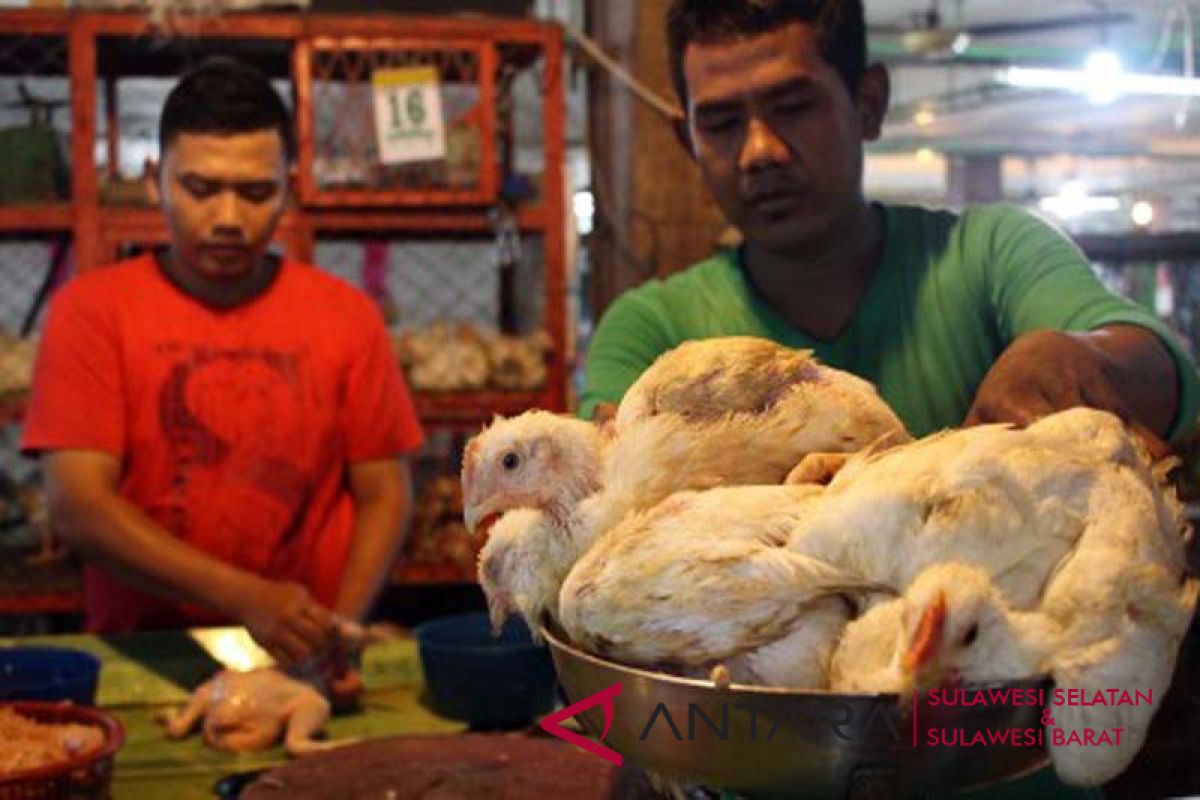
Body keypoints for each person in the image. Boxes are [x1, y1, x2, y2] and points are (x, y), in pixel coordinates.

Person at [580, 0, 1199, 452]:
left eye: (793, 108)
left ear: (868, 103)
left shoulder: (989, 256)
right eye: (720, 124)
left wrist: (1077, 357)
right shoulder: (651, 332)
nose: (759, 151)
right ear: (686, 142)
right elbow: (597, 482)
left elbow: (1164, 370)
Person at [21, 57, 424, 666]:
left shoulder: (346, 316)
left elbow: (384, 493)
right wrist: (248, 599)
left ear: (289, 185)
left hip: (304, 650)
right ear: (155, 177)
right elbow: (78, 505)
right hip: (144, 652)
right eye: (201, 189)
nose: (229, 219)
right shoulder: (92, 311)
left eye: (256, 192)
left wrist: (335, 632)